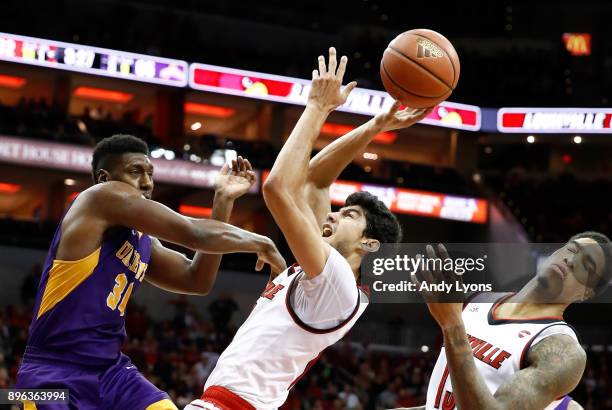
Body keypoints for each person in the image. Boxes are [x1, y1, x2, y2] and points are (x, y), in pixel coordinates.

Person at [186, 47, 429, 410]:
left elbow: (278, 188)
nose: (330, 216)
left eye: (348, 216)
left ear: (370, 243)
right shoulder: (325, 269)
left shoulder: (336, 282)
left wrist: (317, 105)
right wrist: (377, 125)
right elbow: (315, 181)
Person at [16, 135, 285, 410]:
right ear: (103, 178)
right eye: (135, 172)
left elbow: (196, 279)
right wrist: (260, 241)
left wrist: (223, 200)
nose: (147, 182)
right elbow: (192, 233)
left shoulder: (143, 240)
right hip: (54, 373)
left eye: (150, 173)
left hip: (112, 372)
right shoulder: (98, 198)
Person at [394, 231, 610, 410]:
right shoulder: (481, 300)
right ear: (555, 251)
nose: (571, 261)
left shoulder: (561, 349)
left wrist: (452, 325)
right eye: (572, 250)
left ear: (587, 293)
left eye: (586, 265)